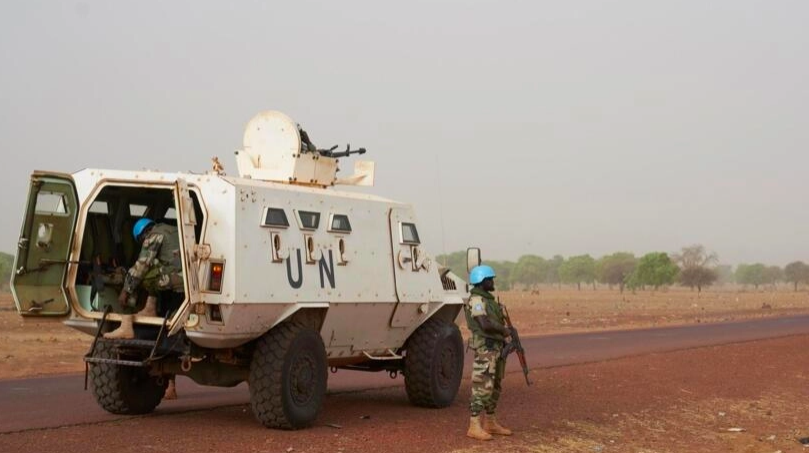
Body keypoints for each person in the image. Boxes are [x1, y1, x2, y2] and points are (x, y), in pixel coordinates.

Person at [103, 218, 184, 339]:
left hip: (175, 278)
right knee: (152, 268)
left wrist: (126, 290)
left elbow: (142, 265)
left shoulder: (153, 235)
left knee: (140, 277)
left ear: (143, 234)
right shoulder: (174, 230)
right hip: (187, 280)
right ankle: (150, 307)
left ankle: (127, 324)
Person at [463, 265, 513, 441]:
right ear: (482, 281)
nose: (492, 282)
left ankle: (490, 422)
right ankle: (474, 425)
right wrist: (504, 330)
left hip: (496, 348)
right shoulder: (476, 300)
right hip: (486, 349)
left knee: (495, 386)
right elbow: (484, 324)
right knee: (482, 386)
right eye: (490, 279)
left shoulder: (489, 300)